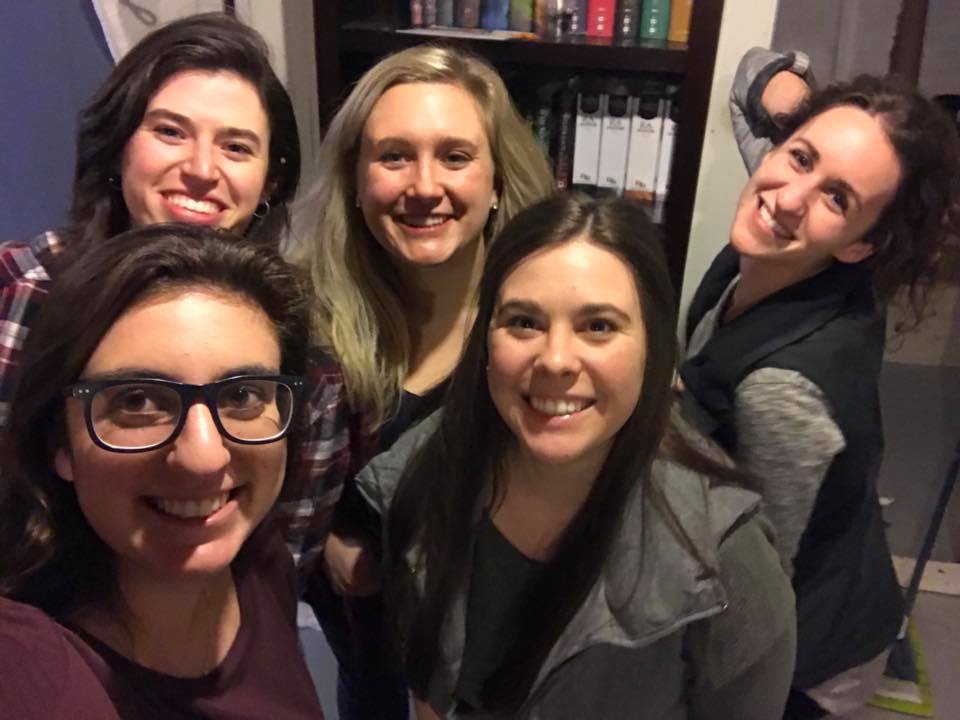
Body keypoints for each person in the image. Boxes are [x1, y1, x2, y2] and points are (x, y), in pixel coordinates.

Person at [346, 194, 796, 719]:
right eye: (524, 322)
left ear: (652, 348)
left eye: (598, 326)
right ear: (486, 340)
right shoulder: (428, 466)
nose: (556, 360)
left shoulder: (726, 560)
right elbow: (430, 677)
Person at [679, 48, 960, 718]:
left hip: (808, 653)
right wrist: (818, 113)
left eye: (839, 197)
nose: (788, 198)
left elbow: (754, 593)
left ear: (861, 244)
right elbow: (749, 74)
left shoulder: (779, 392)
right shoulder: (791, 230)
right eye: (801, 156)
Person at [287, 44, 555, 719]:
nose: (425, 186)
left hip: (497, 662)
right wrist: (328, 546)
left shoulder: (549, 322)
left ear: (497, 180)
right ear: (355, 179)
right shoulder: (297, 317)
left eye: (455, 156)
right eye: (394, 156)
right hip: (363, 642)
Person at [0, 223, 325, 718]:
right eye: (138, 401)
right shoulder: (29, 669)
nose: (204, 457)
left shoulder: (260, 562)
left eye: (242, 395)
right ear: (58, 442)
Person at [0, 11, 301, 425]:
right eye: (170, 132)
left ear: (269, 183)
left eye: (235, 147)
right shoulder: (24, 286)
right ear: (117, 147)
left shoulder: (295, 330)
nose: (201, 170)